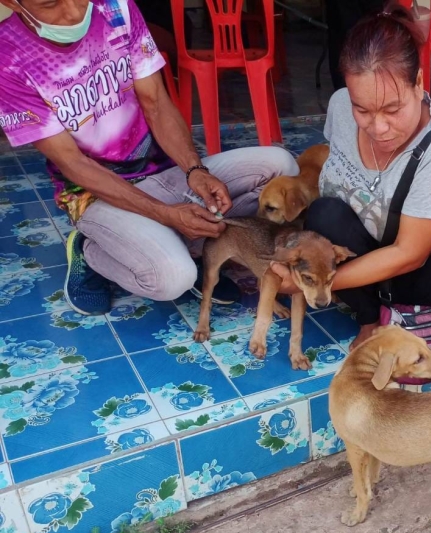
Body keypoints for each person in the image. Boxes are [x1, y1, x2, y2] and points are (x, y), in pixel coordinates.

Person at [0, 0, 298, 315]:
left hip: (161, 171)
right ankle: (88, 249)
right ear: (10, 3)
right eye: (50, 3)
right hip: (96, 196)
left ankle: (189, 244)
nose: (74, 11)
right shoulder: (8, 56)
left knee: (282, 170)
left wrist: (195, 170)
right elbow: (72, 164)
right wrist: (166, 214)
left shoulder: (116, 9)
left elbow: (156, 101)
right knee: (173, 278)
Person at [272, 6, 431, 374]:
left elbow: (410, 254)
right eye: (363, 110)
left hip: (419, 276)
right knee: (324, 214)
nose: (377, 127)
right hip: (361, 258)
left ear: (418, 82)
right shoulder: (339, 107)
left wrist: (311, 285)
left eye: (392, 108)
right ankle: (369, 318)